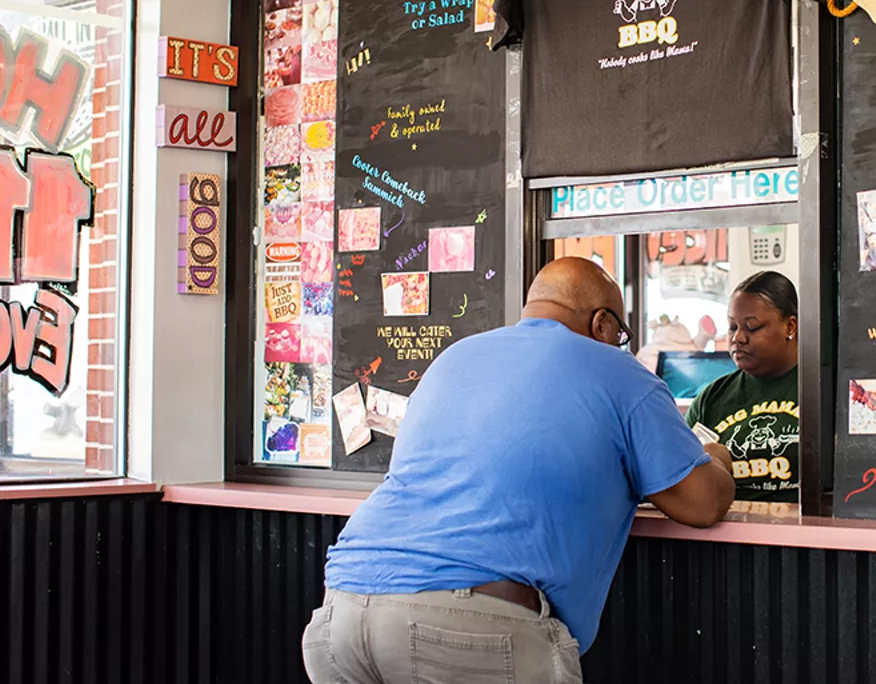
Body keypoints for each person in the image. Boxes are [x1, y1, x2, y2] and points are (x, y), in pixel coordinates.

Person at [303, 257, 734, 684]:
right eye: (619, 333)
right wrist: (716, 457)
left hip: (342, 613)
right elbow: (703, 502)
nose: (618, 343)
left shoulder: (454, 358)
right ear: (602, 323)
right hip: (469, 627)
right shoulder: (619, 371)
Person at [684, 271, 799, 503]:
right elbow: (682, 474)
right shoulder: (712, 398)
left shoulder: (824, 390)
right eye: (732, 327)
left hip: (805, 533)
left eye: (752, 327)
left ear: (790, 327)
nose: (738, 338)